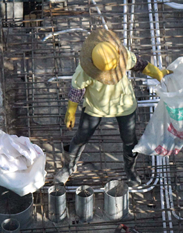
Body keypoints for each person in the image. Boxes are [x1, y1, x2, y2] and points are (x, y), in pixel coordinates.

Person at [55, 29, 170, 187]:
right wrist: (71, 111)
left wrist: (157, 73)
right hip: (96, 107)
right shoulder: (85, 69)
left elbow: (141, 65)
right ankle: (67, 169)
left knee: (130, 141)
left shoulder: (123, 55)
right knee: (81, 137)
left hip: (124, 105)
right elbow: (77, 90)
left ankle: (130, 171)